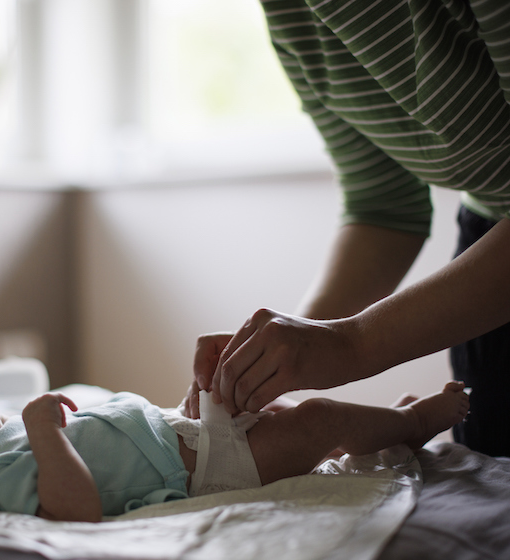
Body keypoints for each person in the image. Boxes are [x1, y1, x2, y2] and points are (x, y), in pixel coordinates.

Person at [188, 0, 510, 457]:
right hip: (489, 242)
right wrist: (286, 353)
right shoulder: (293, 15)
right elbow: (384, 206)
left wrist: (352, 344)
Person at [0, 382, 469, 520]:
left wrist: (179, 411)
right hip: (209, 472)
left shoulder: (0, 444)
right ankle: (411, 423)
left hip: (185, 437)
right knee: (314, 420)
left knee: (282, 409)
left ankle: (385, 429)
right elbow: (76, 512)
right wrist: (44, 431)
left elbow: (115, 435)